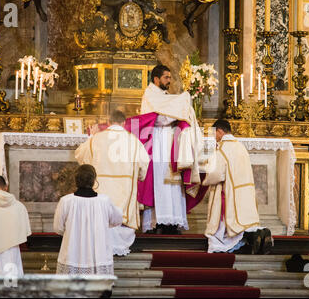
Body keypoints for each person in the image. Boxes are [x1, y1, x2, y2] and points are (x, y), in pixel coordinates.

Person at [136, 64, 204, 234]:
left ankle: (173, 221)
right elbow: (156, 119)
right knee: (159, 181)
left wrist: (179, 113)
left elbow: (172, 113)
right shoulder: (150, 95)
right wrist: (177, 113)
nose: (169, 81)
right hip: (158, 142)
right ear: (156, 79)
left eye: (170, 77)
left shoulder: (166, 97)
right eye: (166, 77)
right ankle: (157, 222)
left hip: (171, 141)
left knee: (174, 182)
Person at [74, 110, 150, 256]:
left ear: (108, 122)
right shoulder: (133, 140)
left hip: (101, 185)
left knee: (103, 215)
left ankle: (101, 246)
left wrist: (91, 137)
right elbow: (144, 163)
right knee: (121, 216)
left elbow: (80, 155)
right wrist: (139, 176)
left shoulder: (97, 138)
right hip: (124, 187)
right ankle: (120, 247)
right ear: (124, 123)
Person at [202, 119, 272, 254]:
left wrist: (205, 178)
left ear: (220, 131)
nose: (214, 138)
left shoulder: (222, 149)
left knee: (225, 225)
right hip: (244, 191)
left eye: (214, 134)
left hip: (228, 192)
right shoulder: (240, 146)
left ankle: (245, 240)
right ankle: (256, 235)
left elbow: (216, 174)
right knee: (241, 221)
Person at [53, 164, 123, 275]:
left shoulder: (66, 201)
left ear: (76, 180)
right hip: (98, 255)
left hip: (73, 252)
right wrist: (103, 225)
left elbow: (58, 227)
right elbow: (118, 219)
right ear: (94, 180)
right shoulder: (104, 201)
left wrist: (72, 233)